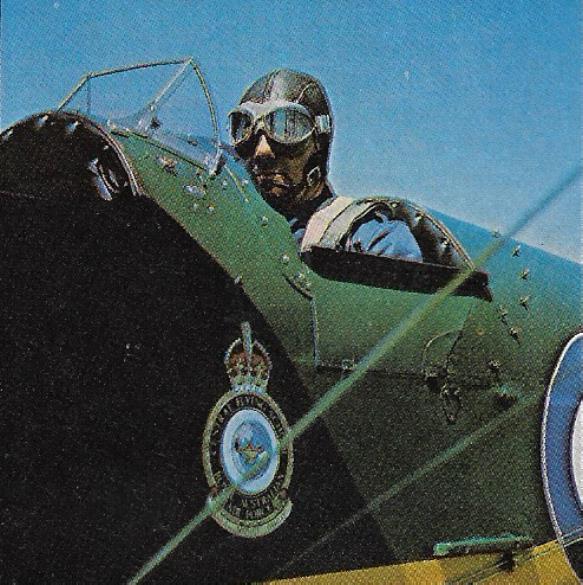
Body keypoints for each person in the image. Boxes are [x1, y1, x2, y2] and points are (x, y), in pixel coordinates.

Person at [229, 69, 423, 261]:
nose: (262, 151)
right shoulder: (233, 233)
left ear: (318, 145)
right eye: (244, 129)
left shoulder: (368, 237)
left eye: (288, 128)